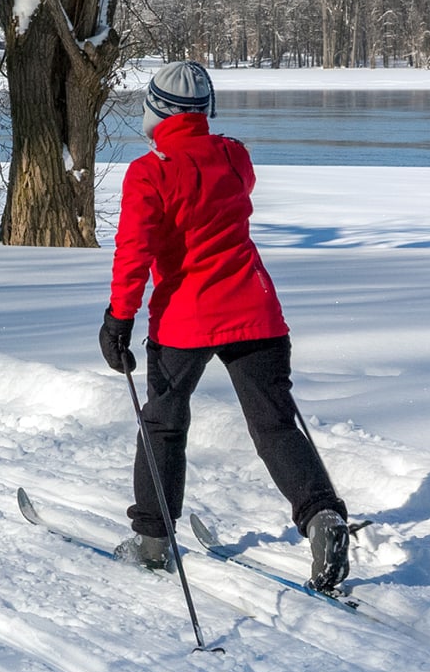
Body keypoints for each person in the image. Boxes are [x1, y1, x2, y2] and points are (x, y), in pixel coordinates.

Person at [101, 60, 353, 591]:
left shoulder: (150, 172)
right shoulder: (234, 156)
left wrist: (119, 318)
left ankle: (152, 542)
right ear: (205, 110)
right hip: (256, 313)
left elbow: (134, 254)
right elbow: (228, 179)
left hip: (184, 321)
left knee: (164, 426)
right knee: (276, 426)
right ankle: (322, 516)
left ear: (155, 110)